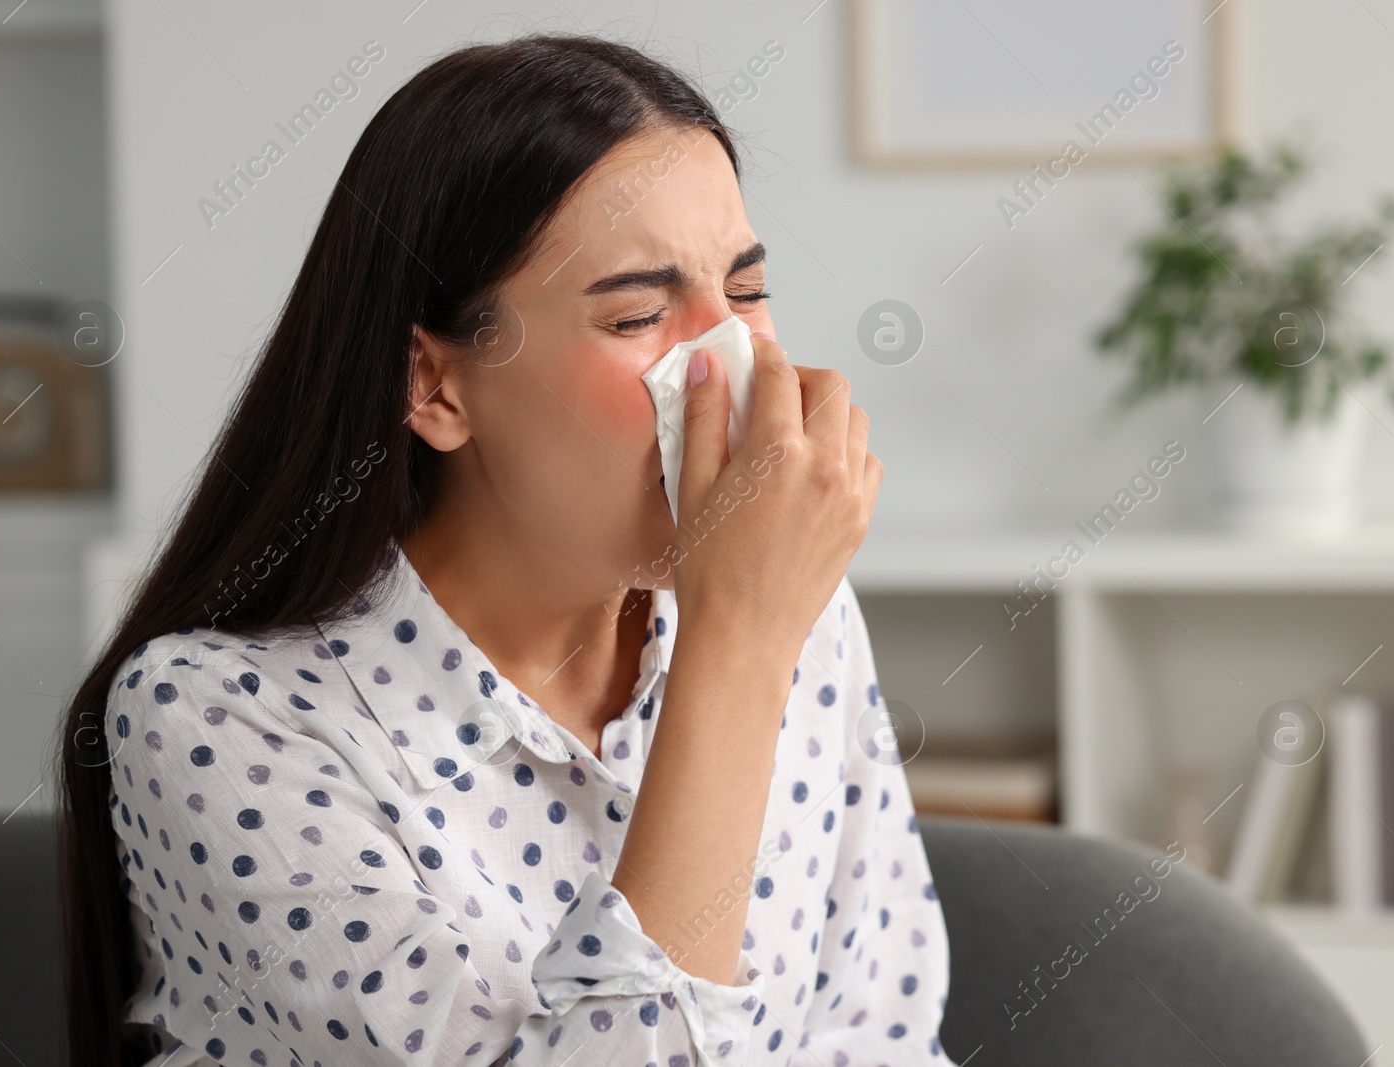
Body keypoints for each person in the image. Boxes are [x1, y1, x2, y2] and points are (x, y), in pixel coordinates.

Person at [57, 32, 956, 1067]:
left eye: (745, 291)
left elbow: (880, 1038)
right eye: (639, 313)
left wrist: (752, 627)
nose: (736, 359)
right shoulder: (216, 719)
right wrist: (739, 647)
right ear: (434, 386)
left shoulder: (799, 614)